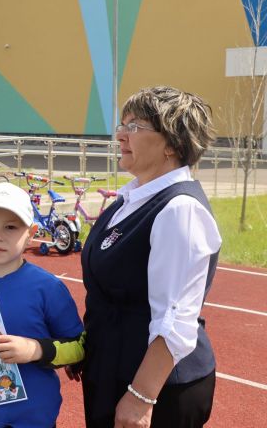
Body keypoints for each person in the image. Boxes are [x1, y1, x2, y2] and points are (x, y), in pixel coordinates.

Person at [75, 86, 221, 428]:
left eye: (135, 126)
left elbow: (176, 317)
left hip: (156, 387)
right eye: (122, 124)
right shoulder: (131, 199)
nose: (121, 134)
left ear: (172, 143)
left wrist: (141, 397)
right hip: (114, 368)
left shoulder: (179, 209)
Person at [0, 183, 85, 428]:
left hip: (33, 420)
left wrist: (36, 350)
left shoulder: (48, 288)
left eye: (11, 227)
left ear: (31, 232)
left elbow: (79, 347)